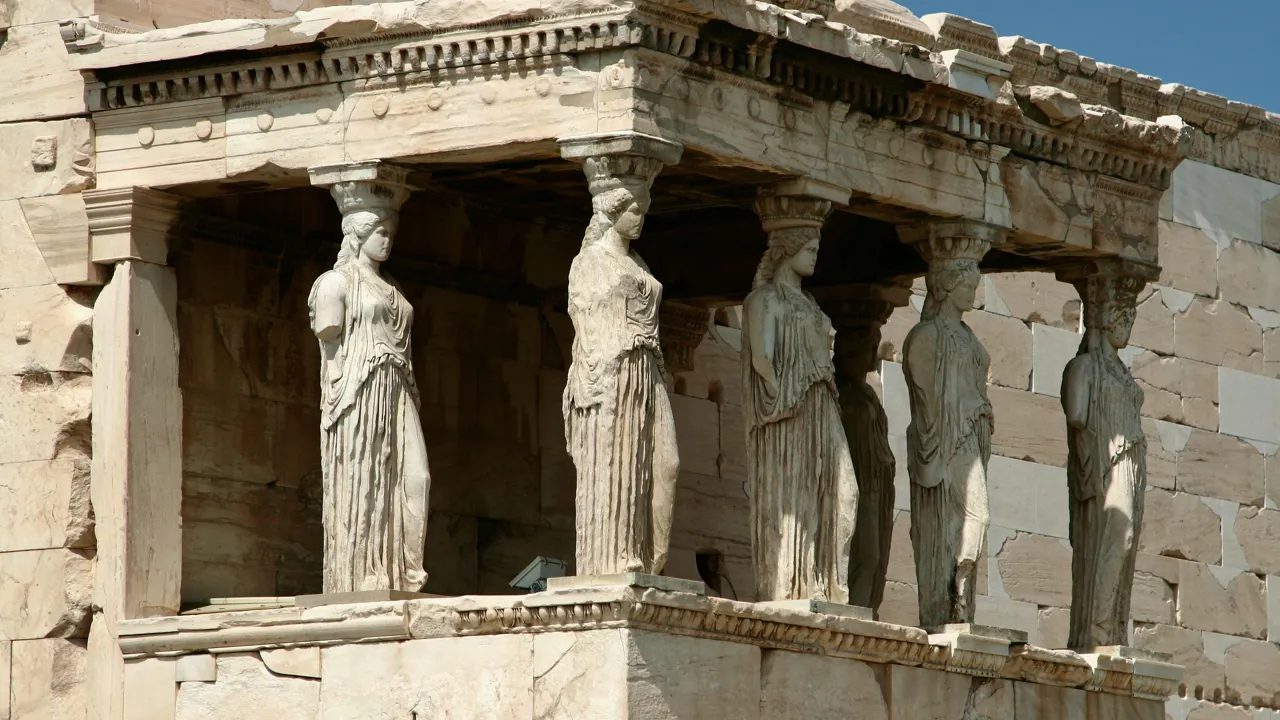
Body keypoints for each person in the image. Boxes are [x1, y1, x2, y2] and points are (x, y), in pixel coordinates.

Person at [563, 157, 678, 575]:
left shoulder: (639, 265)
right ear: (613, 211)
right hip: (614, 372)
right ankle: (617, 559)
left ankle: (651, 558)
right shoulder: (589, 262)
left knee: (666, 464)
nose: (639, 219)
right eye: (633, 210)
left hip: (649, 370)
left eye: (643, 211)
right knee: (620, 460)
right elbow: (585, 321)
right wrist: (602, 377)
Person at [308, 198, 429, 594]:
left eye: (391, 232)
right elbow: (329, 340)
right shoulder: (335, 282)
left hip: (398, 384)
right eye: (380, 231)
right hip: (361, 389)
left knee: (417, 477)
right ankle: (364, 574)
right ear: (358, 235)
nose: (387, 240)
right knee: (368, 476)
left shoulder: (392, 286)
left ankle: (405, 569)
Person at [742, 226, 857, 602]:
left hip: (823, 403)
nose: (814, 255)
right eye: (808, 248)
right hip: (793, 408)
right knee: (799, 492)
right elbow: (762, 356)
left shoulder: (811, 306)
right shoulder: (766, 299)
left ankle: (829, 584)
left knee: (846, 492)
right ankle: (795, 585)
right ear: (788, 249)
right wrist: (778, 391)